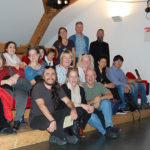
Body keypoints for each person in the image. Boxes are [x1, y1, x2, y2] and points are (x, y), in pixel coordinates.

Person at [29, 66, 79, 145]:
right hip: (36, 118)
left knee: (69, 111)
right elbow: (42, 106)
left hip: (51, 115)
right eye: (47, 74)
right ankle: (60, 136)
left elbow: (68, 101)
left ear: (56, 76)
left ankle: (59, 135)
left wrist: (73, 109)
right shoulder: (38, 87)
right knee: (48, 121)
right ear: (43, 76)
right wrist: (52, 120)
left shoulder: (57, 87)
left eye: (53, 74)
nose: (50, 76)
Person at [83, 68, 121, 139]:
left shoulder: (99, 84)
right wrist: (94, 100)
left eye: (92, 75)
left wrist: (99, 99)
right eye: (88, 75)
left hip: (99, 106)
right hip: (89, 109)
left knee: (106, 102)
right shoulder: (82, 87)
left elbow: (110, 95)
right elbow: (83, 104)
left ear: (95, 76)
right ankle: (105, 132)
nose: (90, 77)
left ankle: (109, 127)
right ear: (85, 77)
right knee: (88, 115)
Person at [60, 68, 94, 138]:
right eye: (71, 76)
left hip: (78, 112)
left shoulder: (81, 89)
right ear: (68, 78)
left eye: (75, 76)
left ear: (78, 78)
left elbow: (84, 103)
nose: (74, 78)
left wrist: (89, 107)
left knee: (89, 109)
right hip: (66, 111)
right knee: (80, 109)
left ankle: (80, 127)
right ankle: (71, 127)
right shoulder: (64, 88)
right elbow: (65, 104)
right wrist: (80, 105)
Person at [0, 52, 28, 131]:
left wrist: (16, 76)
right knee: (5, 95)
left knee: (22, 95)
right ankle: (6, 120)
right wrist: (5, 81)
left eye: (0, 58)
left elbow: (22, 72)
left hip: (17, 86)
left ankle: (17, 121)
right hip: (5, 89)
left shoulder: (8, 67)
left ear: (3, 60)